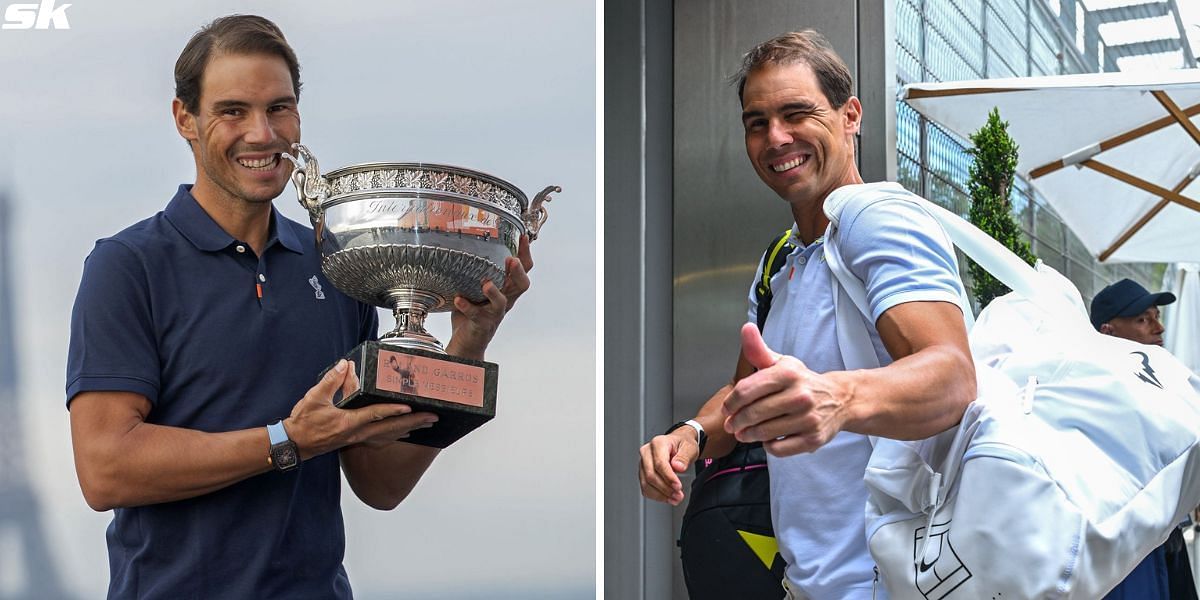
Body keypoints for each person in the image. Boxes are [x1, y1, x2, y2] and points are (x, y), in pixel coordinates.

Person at [65, 15, 531, 599]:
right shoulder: (128, 265)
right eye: (232, 111)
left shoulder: (337, 265)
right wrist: (287, 440)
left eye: (278, 109)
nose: (261, 134)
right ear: (185, 118)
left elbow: (378, 482)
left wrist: (466, 343)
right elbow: (106, 469)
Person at [638, 30, 975, 599]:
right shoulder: (783, 257)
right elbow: (743, 396)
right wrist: (692, 434)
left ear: (851, 116)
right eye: (756, 122)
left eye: (797, 113)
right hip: (806, 584)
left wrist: (838, 399)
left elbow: (954, 378)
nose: (776, 138)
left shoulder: (876, 218)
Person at [1090, 278, 1198, 600]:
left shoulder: (1158, 381)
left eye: (1156, 316)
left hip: (1169, 541)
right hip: (1127, 554)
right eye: (1143, 319)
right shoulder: (1095, 389)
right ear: (1107, 332)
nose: (1159, 327)